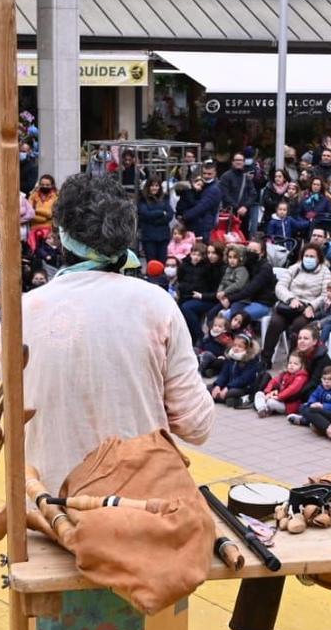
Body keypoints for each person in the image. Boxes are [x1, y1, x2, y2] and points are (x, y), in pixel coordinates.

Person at [19, 172, 213, 497]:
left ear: (60, 234)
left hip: (47, 506)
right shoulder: (156, 306)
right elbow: (197, 425)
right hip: (140, 510)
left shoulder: (21, 312)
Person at [210, 332, 264, 408]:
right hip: (229, 384)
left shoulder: (251, 361)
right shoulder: (231, 357)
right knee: (208, 388)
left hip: (242, 388)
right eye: (235, 345)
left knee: (230, 392)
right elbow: (224, 374)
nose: (236, 348)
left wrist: (228, 387)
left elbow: (244, 379)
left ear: (247, 348)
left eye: (240, 346)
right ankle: (227, 399)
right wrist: (218, 385)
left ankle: (230, 398)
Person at [255, 351, 313, 418]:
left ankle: (264, 407)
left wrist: (278, 397)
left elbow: (292, 389)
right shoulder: (285, 374)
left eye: (295, 364)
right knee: (259, 393)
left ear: (302, 366)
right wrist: (268, 392)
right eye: (290, 363)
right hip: (278, 397)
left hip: (288, 404)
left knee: (270, 402)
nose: (291, 365)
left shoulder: (301, 377)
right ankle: (262, 409)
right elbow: (274, 381)